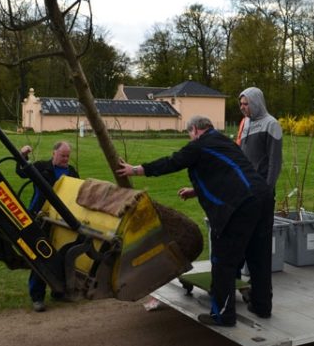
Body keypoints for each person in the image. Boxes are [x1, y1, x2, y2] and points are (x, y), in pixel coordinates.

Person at [116, 116, 274, 327]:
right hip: (263, 197)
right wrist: (195, 191)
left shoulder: (199, 145)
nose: (190, 138)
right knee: (259, 256)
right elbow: (225, 173)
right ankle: (262, 306)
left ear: (196, 130)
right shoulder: (224, 141)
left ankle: (223, 315)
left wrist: (136, 170)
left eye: (189, 134)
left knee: (224, 262)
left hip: (239, 205)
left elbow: (172, 162)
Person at [16, 141, 79, 312]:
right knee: (41, 257)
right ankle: (37, 297)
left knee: (61, 256)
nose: (66, 159)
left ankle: (59, 292)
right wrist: (22, 155)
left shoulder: (72, 172)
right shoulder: (41, 167)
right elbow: (21, 172)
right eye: (62, 155)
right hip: (39, 219)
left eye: (67, 156)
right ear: (54, 153)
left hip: (62, 222)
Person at [238, 87, 283, 191]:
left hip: (261, 185)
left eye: (245, 104)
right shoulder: (246, 122)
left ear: (256, 103)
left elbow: (275, 160)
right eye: (241, 104)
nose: (241, 107)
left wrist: (268, 188)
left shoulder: (272, 124)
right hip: (245, 182)